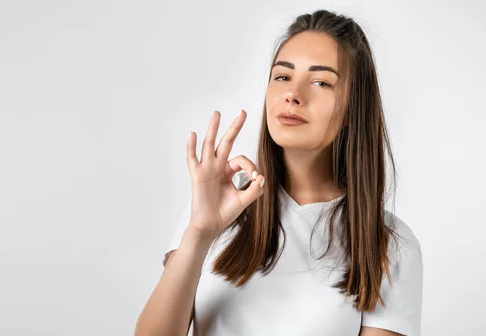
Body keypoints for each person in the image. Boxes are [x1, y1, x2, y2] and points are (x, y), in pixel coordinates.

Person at [135, 9, 423, 336]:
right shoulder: (216, 206)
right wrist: (199, 233)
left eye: (321, 82)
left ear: (351, 110)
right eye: (283, 76)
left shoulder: (389, 243)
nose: (293, 94)